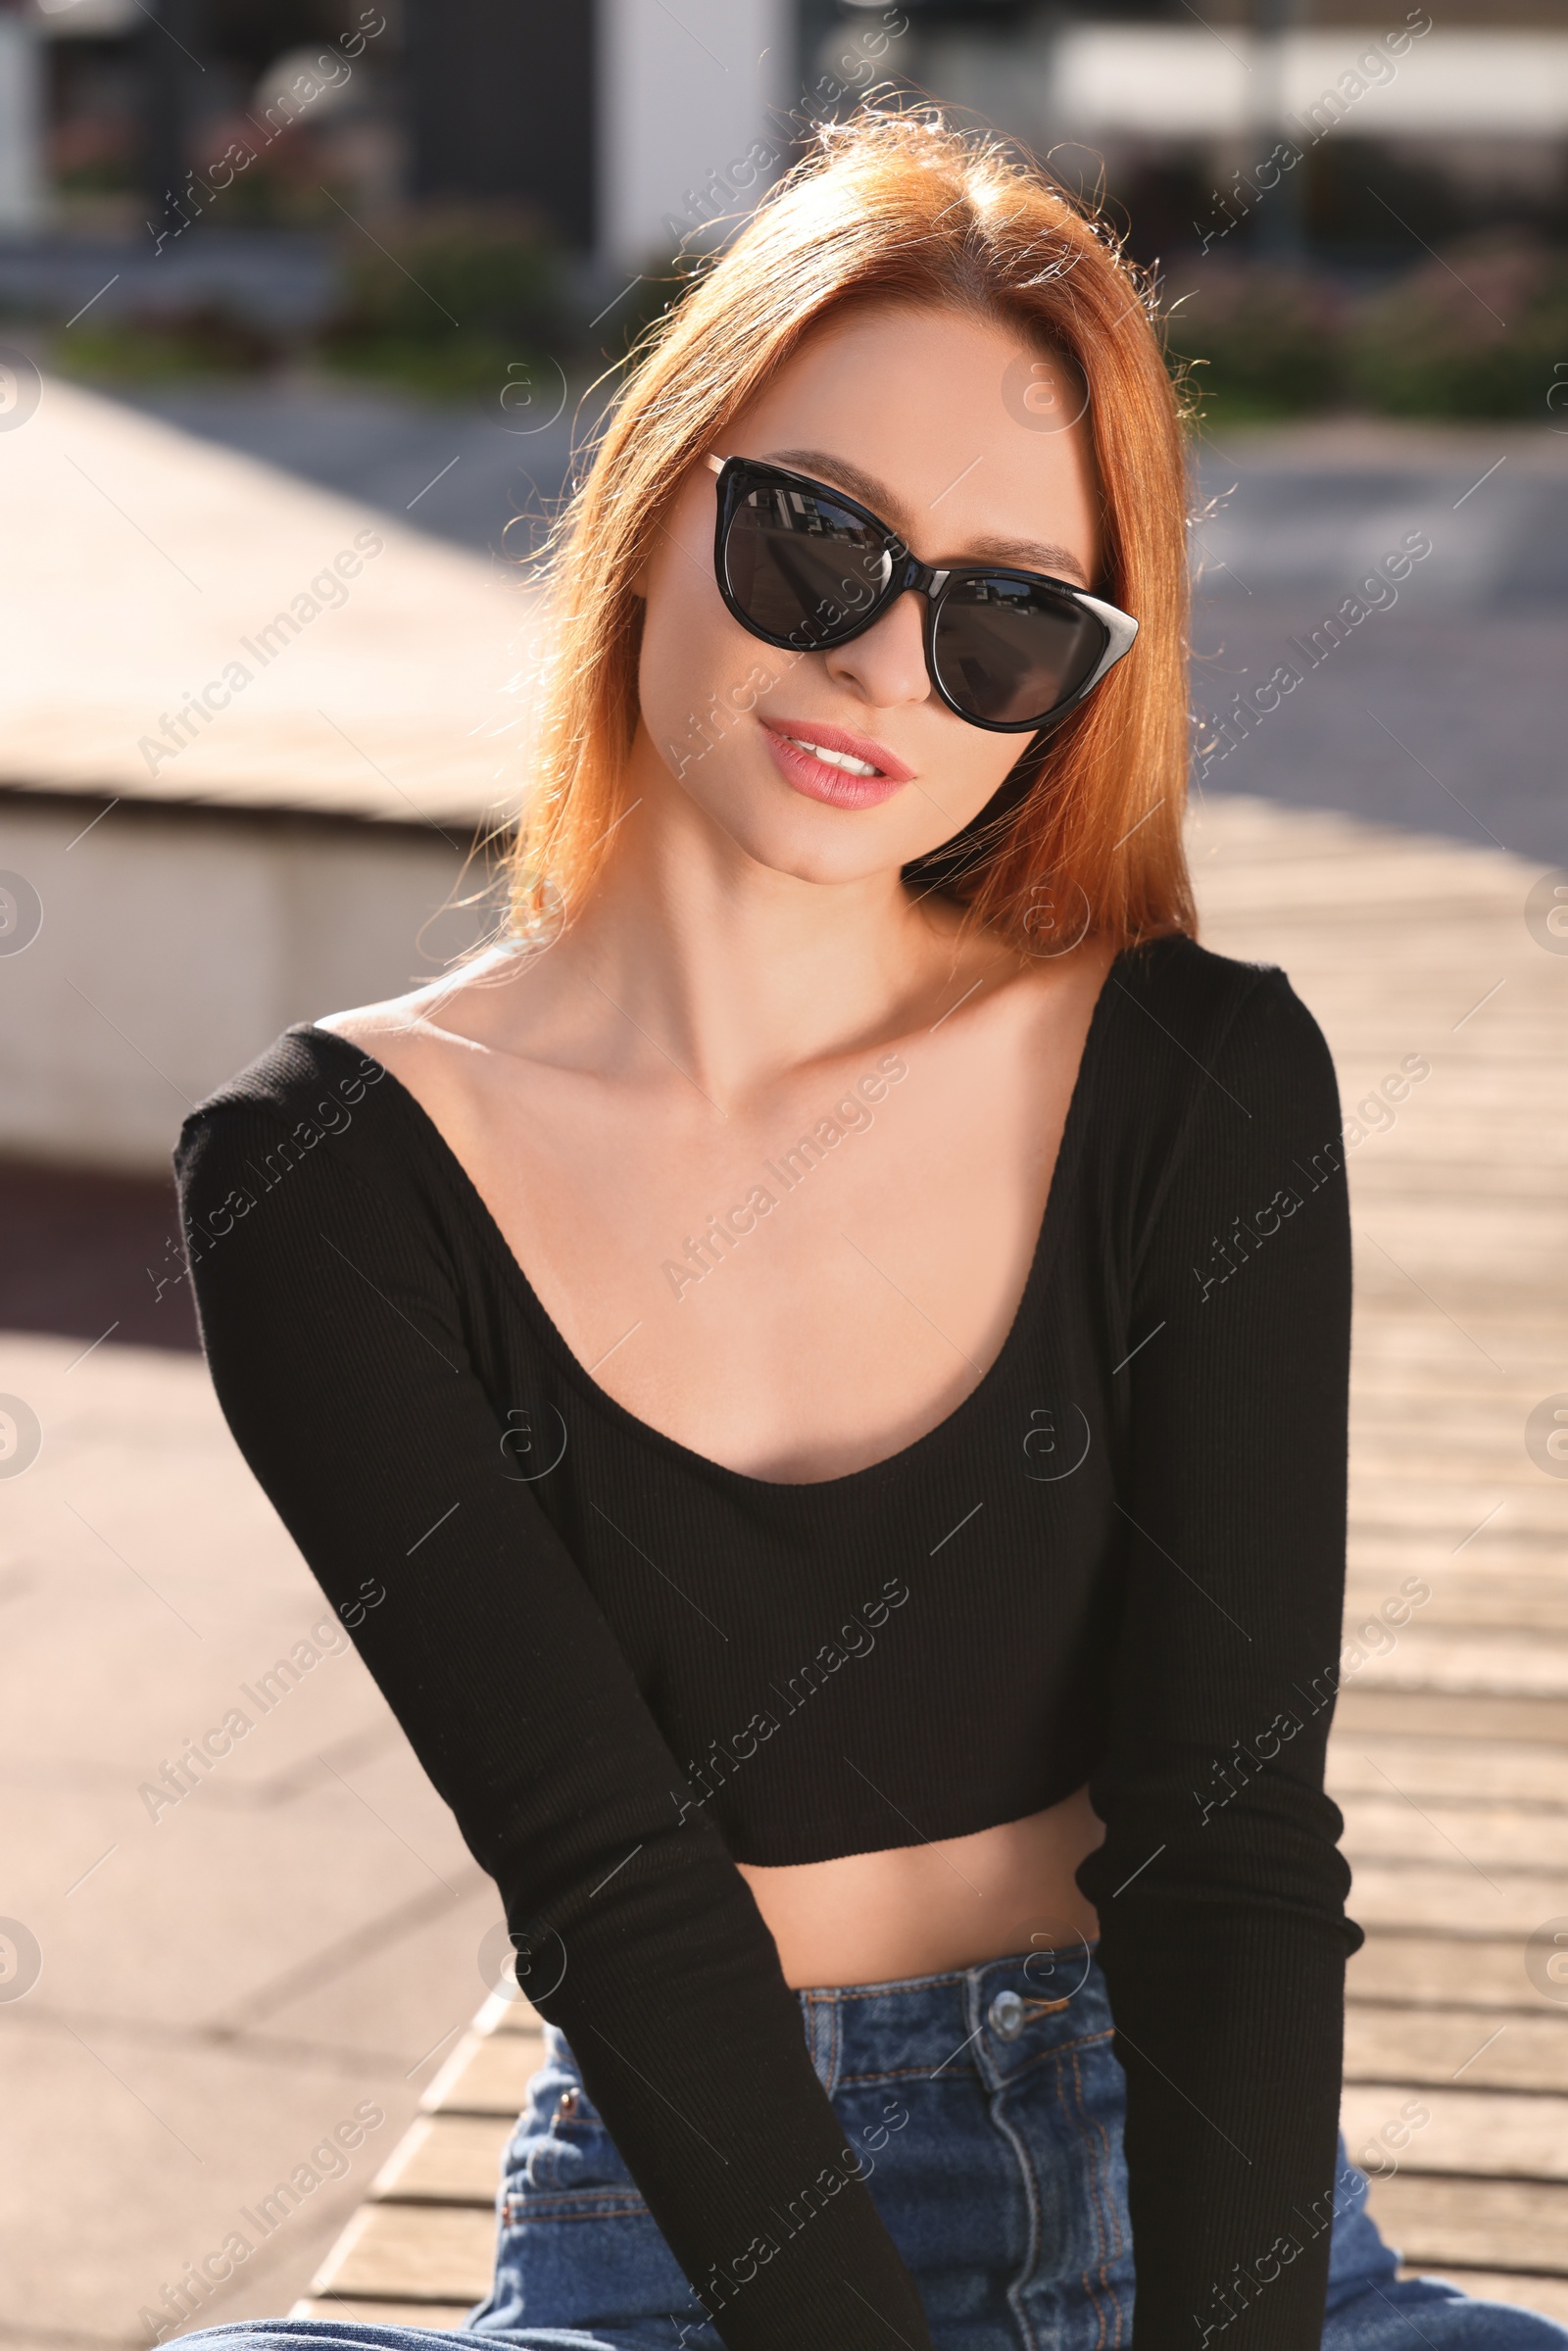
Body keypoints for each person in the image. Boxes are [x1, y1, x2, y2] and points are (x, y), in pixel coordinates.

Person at [171, 107, 1565, 2351]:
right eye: (819, 543)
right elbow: (617, 1899)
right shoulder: (327, 1180)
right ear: (653, 505)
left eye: (1011, 619)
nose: (891, 669)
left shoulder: (1193, 1082)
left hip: (1207, 2229)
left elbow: (1223, 1845)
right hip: (698, 2247)